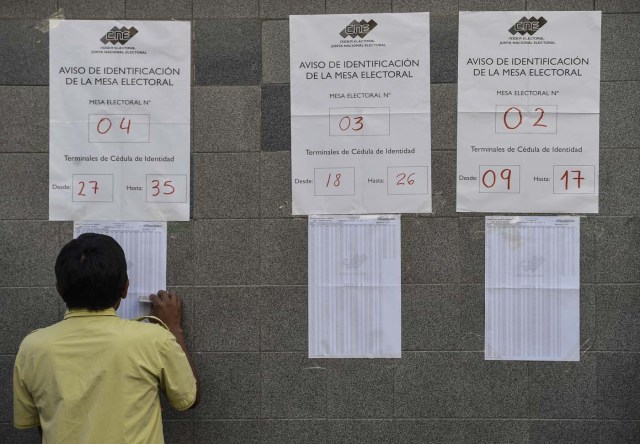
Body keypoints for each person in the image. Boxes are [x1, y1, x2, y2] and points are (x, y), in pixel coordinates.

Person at [13, 233, 200, 443]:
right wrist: (173, 328)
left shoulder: (33, 348)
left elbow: (41, 422)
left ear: (59, 289)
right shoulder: (154, 339)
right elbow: (189, 398)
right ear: (125, 288)